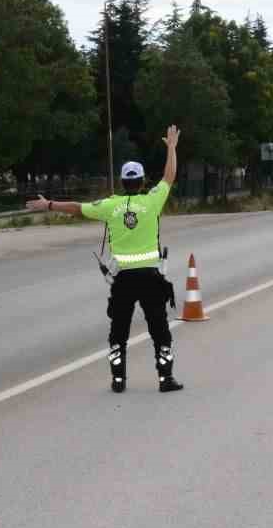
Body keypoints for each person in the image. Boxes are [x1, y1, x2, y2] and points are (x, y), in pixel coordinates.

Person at [27, 125, 184, 394]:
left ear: (123, 183)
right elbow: (169, 177)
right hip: (150, 277)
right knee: (160, 330)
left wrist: (49, 205)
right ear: (144, 181)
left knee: (118, 332)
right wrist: (171, 147)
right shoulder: (152, 201)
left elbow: (77, 209)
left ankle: (118, 380)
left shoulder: (110, 206)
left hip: (123, 279)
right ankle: (165, 379)